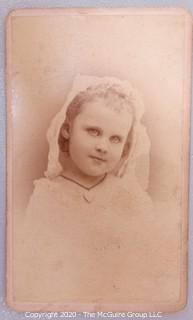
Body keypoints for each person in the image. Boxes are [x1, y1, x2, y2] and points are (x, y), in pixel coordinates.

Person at [15, 75, 159, 305]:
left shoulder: (133, 200)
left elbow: (148, 267)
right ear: (67, 130)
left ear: (126, 146)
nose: (103, 146)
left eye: (115, 139)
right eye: (93, 131)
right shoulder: (45, 196)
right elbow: (34, 270)